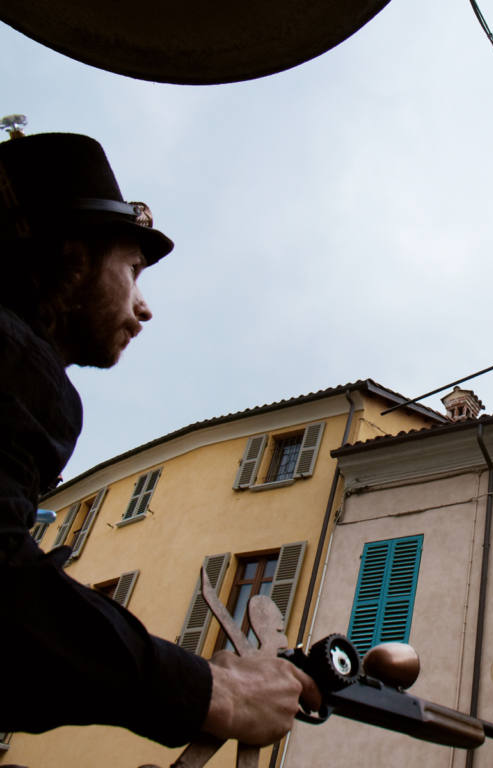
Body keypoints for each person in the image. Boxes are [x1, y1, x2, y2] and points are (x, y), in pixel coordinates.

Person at [0, 133, 319, 749]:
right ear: (72, 258)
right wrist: (211, 691)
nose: (143, 308)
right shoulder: (17, 367)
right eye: (134, 271)